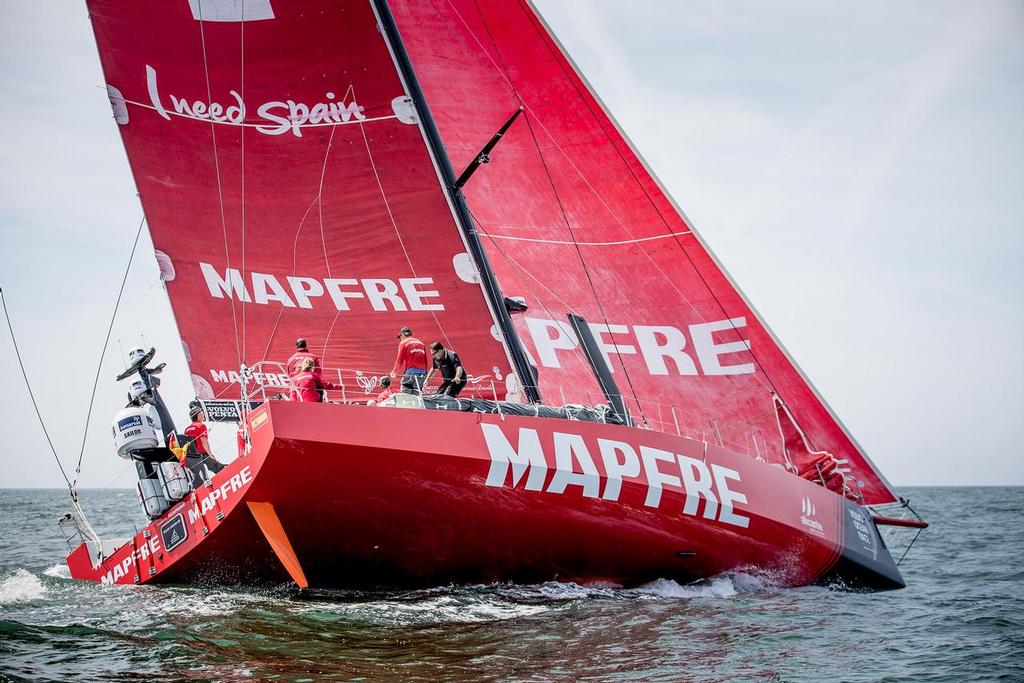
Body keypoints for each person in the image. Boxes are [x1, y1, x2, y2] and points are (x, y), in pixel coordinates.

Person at [183, 404, 226, 484]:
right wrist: (211, 455)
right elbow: (204, 441)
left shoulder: (187, 429)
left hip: (191, 457)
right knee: (220, 468)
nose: (203, 415)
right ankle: (226, 480)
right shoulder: (201, 425)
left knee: (199, 478)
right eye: (202, 413)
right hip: (202, 454)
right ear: (198, 415)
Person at [390, 327, 427, 394]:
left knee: (405, 391)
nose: (400, 339)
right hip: (422, 372)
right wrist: (425, 373)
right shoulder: (421, 343)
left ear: (403, 335)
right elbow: (425, 360)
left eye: (400, 337)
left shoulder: (403, 343)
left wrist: (394, 371)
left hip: (411, 371)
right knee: (416, 392)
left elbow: (400, 359)